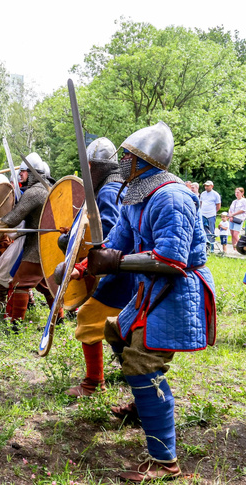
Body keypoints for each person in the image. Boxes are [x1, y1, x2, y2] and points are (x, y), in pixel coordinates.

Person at [87, 122, 215, 482]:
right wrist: (86, 264)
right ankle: (143, 408)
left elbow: (172, 260)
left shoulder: (171, 196)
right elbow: (119, 240)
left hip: (177, 289)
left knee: (142, 361)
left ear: (145, 162)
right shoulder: (135, 195)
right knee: (115, 333)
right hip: (149, 288)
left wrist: (114, 263)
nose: (122, 161)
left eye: (128, 156)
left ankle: (165, 462)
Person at [63, 138, 134, 397]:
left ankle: (93, 383)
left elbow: (109, 233)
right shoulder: (120, 185)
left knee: (88, 316)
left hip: (121, 267)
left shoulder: (108, 190)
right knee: (123, 325)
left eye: (88, 167)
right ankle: (131, 372)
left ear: (94, 165)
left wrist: (82, 265)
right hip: (127, 266)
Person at [0, 153, 57, 332]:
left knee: (19, 283)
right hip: (52, 245)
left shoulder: (35, 192)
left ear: (33, 172)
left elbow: (13, 218)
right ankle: (60, 320)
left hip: (37, 246)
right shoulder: (52, 188)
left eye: (23, 172)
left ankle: (15, 327)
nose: (20, 175)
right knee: (45, 284)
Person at [199, 180, 220, 251]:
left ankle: (212, 247)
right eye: (205, 186)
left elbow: (218, 205)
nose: (206, 187)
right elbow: (201, 203)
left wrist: (213, 212)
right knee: (203, 229)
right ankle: (204, 245)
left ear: (212, 186)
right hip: (203, 214)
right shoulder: (203, 194)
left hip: (211, 215)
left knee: (211, 230)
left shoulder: (215, 194)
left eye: (208, 186)